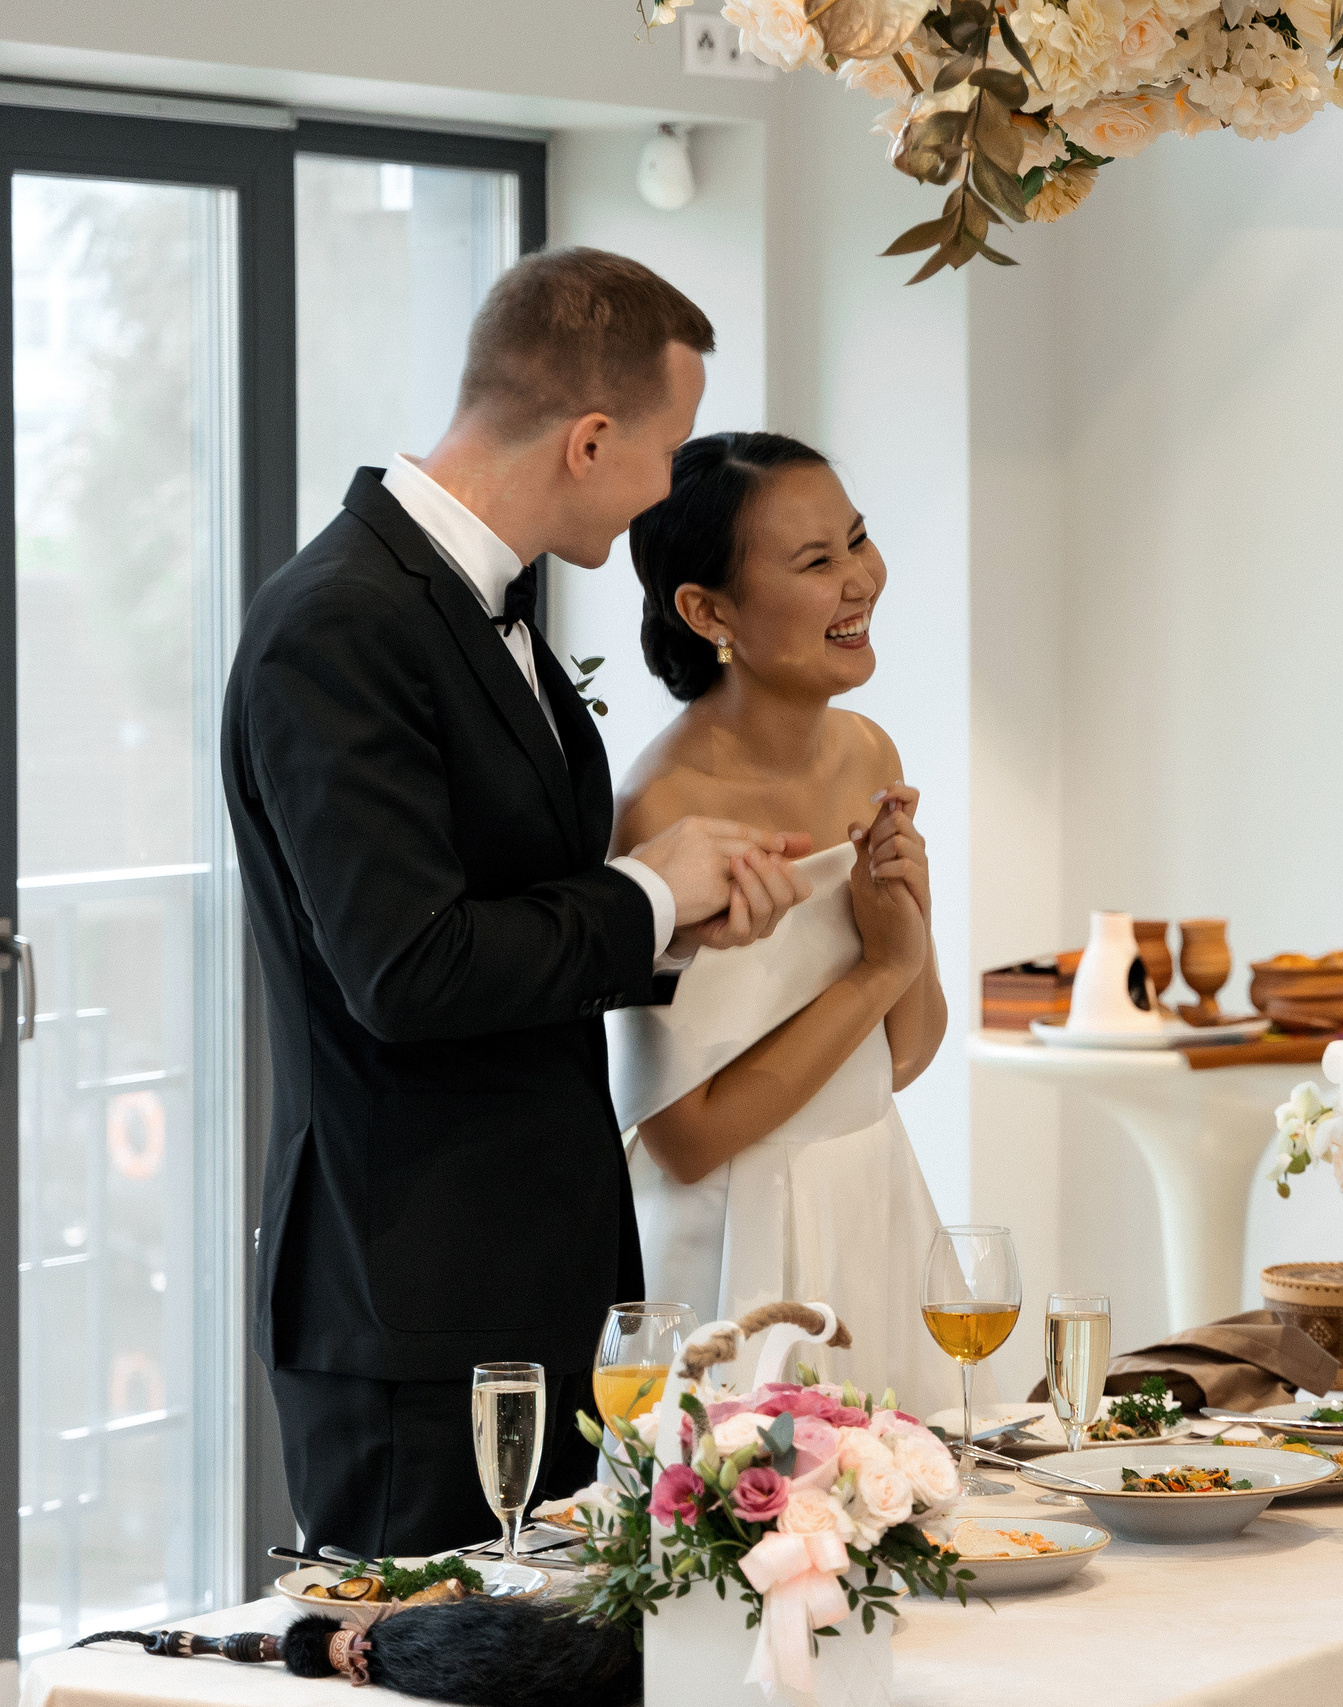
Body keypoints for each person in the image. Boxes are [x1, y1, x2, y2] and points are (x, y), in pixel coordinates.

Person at [222, 249, 817, 1558]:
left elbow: (517, 913)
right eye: (666, 450)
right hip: (412, 1310)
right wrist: (648, 891)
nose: (669, 488)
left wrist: (677, 924)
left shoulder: (485, 608)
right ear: (592, 439)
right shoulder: (336, 625)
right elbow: (409, 966)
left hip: (529, 1287)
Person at [605, 431, 948, 1409]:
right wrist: (878, 970)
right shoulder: (666, 813)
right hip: (735, 1248)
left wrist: (906, 941)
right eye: (815, 561)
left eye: (858, 540)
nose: (861, 580)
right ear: (709, 610)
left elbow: (905, 1056)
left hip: (873, 1205)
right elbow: (684, 1138)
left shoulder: (867, 750)